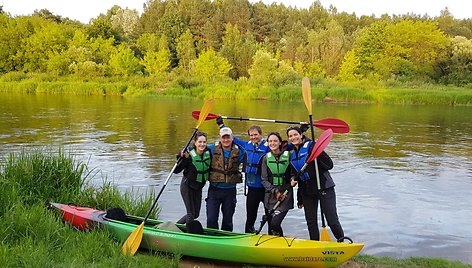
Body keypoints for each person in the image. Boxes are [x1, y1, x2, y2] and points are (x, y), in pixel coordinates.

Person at [286, 126, 345, 241]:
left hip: (324, 187)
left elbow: (330, 165)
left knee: (332, 220)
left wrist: (318, 152)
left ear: (301, 135)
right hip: (307, 191)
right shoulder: (292, 155)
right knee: (311, 221)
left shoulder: (312, 147)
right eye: (290, 136)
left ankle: (341, 242)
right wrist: (293, 180)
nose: (293, 137)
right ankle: (315, 244)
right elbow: (294, 173)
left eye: (295, 134)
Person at [216, 117, 270, 233]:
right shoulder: (246, 145)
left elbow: (285, 146)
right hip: (252, 188)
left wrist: (301, 131)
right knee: (250, 217)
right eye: (251, 135)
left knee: (270, 216)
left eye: (256, 134)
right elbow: (231, 138)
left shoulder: (268, 146)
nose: (253, 137)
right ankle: (248, 235)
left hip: (266, 189)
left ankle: (273, 236)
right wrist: (221, 125)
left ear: (261, 134)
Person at [206, 126, 245, 231]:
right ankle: (211, 239)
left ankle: (225, 239)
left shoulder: (240, 151)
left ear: (232, 137)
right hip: (214, 190)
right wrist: (186, 151)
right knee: (211, 219)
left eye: (228, 137)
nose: (226, 140)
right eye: (223, 138)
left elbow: (251, 149)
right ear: (220, 138)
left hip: (230, 191)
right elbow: (198, 148)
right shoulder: (212, 148)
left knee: (228, 221)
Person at [260, 132, 296, 236]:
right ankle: (278, 243)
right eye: (270, 141)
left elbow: (293, 173)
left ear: (280, 142)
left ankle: (281, 242)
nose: (272, 143)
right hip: (270, 196)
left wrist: (293, 179)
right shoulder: (265, 158)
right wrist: (275, 191)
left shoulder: (289, 156)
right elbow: (264, 180)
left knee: (275, 223)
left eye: (275, 141)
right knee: (272, 226)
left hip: (285, 194)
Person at [173, 132, 211, 229]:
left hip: (198, 187)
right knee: (190, 214)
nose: (202, 144)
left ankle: (175, 226)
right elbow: (176, 171)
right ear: (195, 142)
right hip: (187, 186)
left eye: (204, 142)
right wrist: (180, 157)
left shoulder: (208, 152)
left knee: (196, 214)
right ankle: (188, 234)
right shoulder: (188, 155)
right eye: (200, 142)